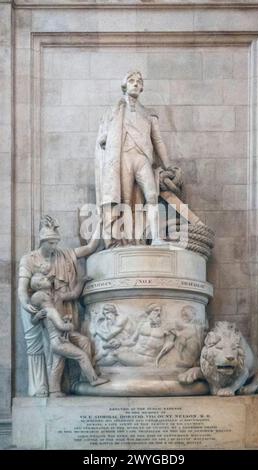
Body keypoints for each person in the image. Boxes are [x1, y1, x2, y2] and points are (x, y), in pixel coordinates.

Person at [18, 215, 101, 397]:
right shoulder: (29, 261)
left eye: (56, 243)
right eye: (51, 243)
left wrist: (101, 223)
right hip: (45, 318)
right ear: (43, 241)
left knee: (74, 348)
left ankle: (77, 381)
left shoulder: (62, 261)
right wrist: (26, 304)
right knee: (48, 352)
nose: (54, 247)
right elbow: (22, 290)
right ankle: (48, 387)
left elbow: (90, 248)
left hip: (61, 317)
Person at [95, 70, 172, 247]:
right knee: (125, 201)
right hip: (124, 158)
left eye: (139, 81)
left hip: (143, 158)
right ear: (125, 85)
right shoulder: (114, 112)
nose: (136, 84)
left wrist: (168, 166)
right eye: (131, 81)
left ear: (142, 87)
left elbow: (158, 140)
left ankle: (156, 238)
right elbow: (102, 139)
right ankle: (127, 240)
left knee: (151, 195)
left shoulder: (149, 114)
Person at [30, 273, 108, 396]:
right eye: (43, 279)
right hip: (60, 336)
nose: (47, 279)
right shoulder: (46, 308)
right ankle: (92, 378)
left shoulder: (57, 296)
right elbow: (34, 321)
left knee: (82, 342)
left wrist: (81, 281)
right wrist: (37, 316)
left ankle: (57, 389)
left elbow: (74, 294)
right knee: (75, 357)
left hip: (64, 334)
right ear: (39, 287)